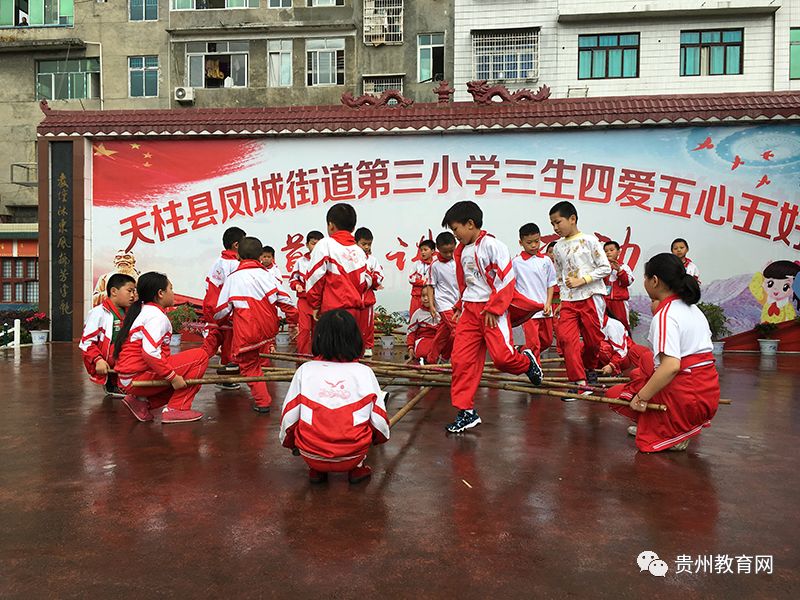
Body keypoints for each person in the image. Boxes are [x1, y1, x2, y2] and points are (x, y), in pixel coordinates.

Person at [442, 201, 543, 433]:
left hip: (491, 311)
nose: (454, 235)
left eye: (455, 229)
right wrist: (460, 304)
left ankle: (527, 362)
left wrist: (495, 308)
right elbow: (467, 282)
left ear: (470, 224)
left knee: (503, 359)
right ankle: (466, 412)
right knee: (460, 360)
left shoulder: (493, 246)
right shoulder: (461, 250)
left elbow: (506, 279)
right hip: (470, 311)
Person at [606, 253, 720, 452]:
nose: (644, 282)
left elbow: (671, 366)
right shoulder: (693, 309)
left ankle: (672, 431)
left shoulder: (666, 315)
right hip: (707, 395)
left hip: (687, 399)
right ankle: (665, 424)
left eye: (645, 277)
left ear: (655, 280)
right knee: (641, 374)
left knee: (618, 394)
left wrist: (641, 398)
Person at [279, 309, 389, 484]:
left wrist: (293, 444)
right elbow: (380, 423)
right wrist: (377, 440)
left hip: (311, 454)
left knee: (307, 420)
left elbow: (288, 418)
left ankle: (316, 470)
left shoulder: (304, 370)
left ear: (319, 337)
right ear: (355, 339)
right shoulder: (365, 372)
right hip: (353, 455)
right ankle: (357, 469)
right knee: (365, 420)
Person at [114, 272, 223, 424]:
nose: (173, 293)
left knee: (188, 372)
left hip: (128, 379)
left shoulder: (144, 311)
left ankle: (141, 403)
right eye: (171, 289)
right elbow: (150, 353)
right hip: (136, 377)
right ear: (160, 293)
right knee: (200, 357)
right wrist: (172, 376)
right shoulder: (155, 316)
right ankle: (178, 409)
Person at [215, 236, 297, 413]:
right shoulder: (267, 276)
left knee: (249, 366)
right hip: (268, 330)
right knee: (257, 360)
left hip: (247, 331)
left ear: (238, 257)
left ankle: (263, 402)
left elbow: (221, 311)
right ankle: (238, 364)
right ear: (260, 256)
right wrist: (295, 321)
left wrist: (220, 323)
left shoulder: (233, 278)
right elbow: (286, 301)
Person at [549, 201, 612, 395]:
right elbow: (560, 275)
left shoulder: (590, 241)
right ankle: (579, 381)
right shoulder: (558, 247)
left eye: (558, 222)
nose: (555, 227)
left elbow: (605, 268)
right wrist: (560, 302)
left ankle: (590, 368)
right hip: (569, 301)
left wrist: (582, 280)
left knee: (594, 341)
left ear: (572, 219)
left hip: (591, 297)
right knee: (566, 339)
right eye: (552, 223)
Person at [306, 203, 367, 325]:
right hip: (354, 313)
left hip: (332, 312)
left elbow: (315, 278)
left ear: (331, 225)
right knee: (350, 344)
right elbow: (362, 284)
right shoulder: (359, 251)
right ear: (353, 228)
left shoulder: (325, 244)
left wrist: (315, 305)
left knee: (331, 344)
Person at [79, 273, 137, 397]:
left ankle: (125, 383)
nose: (132, 295)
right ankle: (114, 383)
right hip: (110, 357)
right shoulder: (98, 313)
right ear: (114, 291)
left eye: (134, 291)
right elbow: (86, 342)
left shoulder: (130, 312)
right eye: (129, 291)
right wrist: (97, 360)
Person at [203, 226, 246, 386]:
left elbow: (208, 286)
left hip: (212, 309)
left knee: (211, 344)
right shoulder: (235, 264)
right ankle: (226, 379)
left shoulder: (217, 262)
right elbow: (235, 291)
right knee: (229, 345)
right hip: (226, 311)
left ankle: (191, 365)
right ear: (236, 245)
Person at [512, 223, 556, 362]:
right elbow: (511, 286)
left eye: (536, 241)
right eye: (529, 242)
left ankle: (522, 352)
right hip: (528, 311)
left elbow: (551, 284)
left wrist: (548, 303)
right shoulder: (516, 262)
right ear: (521, 242)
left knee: (547, 341)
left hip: (544, 309)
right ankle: (535, 375)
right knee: (534, 345)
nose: (533, 245)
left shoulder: (546, 260)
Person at [424, 231, 459, 364]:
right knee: (458, 331)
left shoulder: (459, 260)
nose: (449, 254)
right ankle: (449, 358)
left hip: (458, 303)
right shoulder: (435, 265)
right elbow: (430, 286)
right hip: (444, 304)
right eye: (445, 252)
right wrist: (432, 306)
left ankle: (431, 359)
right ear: (438, 250)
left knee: (442, 335)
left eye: (452, 251)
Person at [289, 230, 324, 355]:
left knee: (319, 329)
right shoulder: (300, 262)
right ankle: (303, 355)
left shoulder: (325, 261)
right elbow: (293, 279)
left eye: (318, 244)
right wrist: (297, 285)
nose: (315, 247)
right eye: (313, 243)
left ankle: (318, 355)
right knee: (304, 329)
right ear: (307, 244)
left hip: (320, 301)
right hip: (304, 300)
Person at [354, 227, 384, 358]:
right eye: (363, 244)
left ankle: (367, 346)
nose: (366, 247)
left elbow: (379, 276)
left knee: (367, 325)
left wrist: (370, 279)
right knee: (352, 324)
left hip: (367, 299)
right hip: (353, 298)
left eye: (369, 244)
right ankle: (352, 346)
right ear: (356, 243)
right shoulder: (350, 259)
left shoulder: (373, 260)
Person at [597, 311, 652, 377]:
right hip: (618, 363)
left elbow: (621, 351)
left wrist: (612, 365)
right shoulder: (590, 324)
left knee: (603, 347)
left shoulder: (612, 325)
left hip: (625, 359)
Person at [603, 240, 634, 331]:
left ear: (618, 252)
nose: (608, 252)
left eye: (611, 250)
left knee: (622, 325)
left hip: (619, 302)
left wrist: (619, 270)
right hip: (604, 301)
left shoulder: (624, 267)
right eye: (606, 251)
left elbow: (628, 282)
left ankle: (626, 344)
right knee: (604, 325)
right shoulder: (601, 267)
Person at [407, 293, 440, 363]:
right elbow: (411, 332)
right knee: (424, 352)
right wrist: (410, 347)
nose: (425, 298)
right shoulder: (418, 313)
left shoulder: (442, 312)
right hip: (424, 341)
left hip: (439, 340)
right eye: (423, 296)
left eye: (428, 295)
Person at [408, 239, 435, 318]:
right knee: (414, 318)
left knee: (429, 318)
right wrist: (424, 282)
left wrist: (421, 281)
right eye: (421, 250)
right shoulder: (417, 264)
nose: (423, 252)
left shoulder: (435, 264)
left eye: (425, 250)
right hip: (416, 297)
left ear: (432, 251)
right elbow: (411, 278)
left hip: (430, 297)